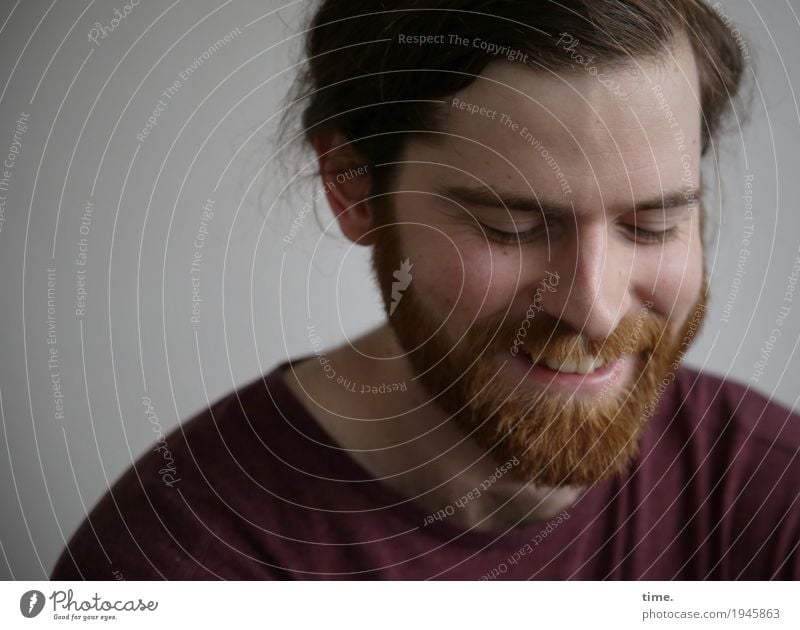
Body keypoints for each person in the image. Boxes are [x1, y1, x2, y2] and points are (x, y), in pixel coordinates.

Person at [52, 0, 799, 580]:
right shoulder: (181, 565)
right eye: (511, 227)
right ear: (354, 190)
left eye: (655, 224)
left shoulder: (773, 492)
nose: (595, 308)